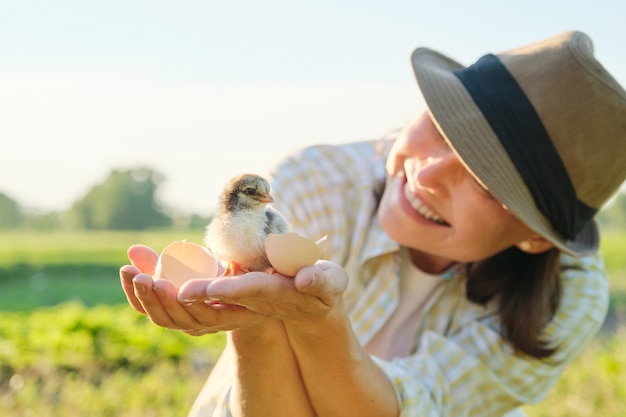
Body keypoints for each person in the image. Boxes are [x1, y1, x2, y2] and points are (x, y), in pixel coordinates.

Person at [119, 30, 626, 416]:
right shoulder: (322, 180)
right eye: (444, 126)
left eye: (485, 183)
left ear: (536, 237)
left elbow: (413, 404)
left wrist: (315, 321)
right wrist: (257, 323)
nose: (426, 174)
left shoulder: (567, 298)